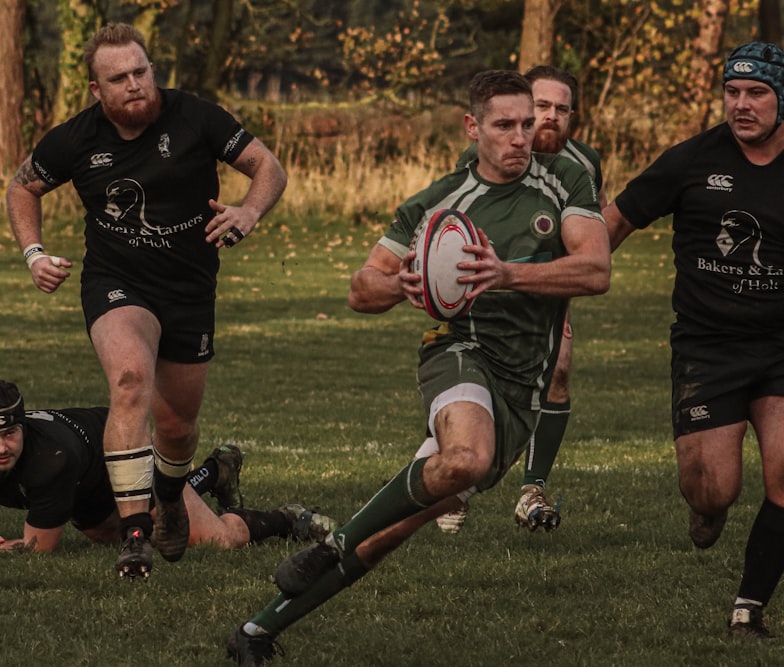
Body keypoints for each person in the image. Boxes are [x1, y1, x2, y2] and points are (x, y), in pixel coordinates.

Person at [225, 69, 610, 664]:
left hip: (522, 383)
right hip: (458, 351)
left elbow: (596, 270)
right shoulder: (436, 205)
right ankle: (334, 545)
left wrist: (506, 273)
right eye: (505, 125)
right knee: (465, 457)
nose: (521, 138)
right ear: (472, 127)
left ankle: (256, 632)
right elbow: (362, 286)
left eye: (527, 125)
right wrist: (400, 285)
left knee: (392, 532)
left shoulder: (564, 179)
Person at [601, 42, 784, 639]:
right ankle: (705, 510)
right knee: (714, 490)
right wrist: (569, 272)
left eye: (755, 93)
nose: (740, 104)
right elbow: (616, 221)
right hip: (708, 346)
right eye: (732, 92)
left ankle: (748, 609)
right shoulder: (691, 160)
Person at [4, 23, 287, 578]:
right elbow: (22, 186)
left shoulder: (196, 116)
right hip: (116, 282)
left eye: (142, 71)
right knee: (130, 378)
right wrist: (33, 251)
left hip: (188, 290)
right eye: (119, 77)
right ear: (96, 89)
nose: (135, 84)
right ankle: (136, 535)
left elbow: (267, 168)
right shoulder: (75, 139)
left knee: (177, 428)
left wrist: (250, 211)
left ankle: (174, 496)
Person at [436, 64, 608, 534]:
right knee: (476, 378)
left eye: (561, 109)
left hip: (543, 285)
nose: (550, 117)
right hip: (484, 291)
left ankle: (532, 488)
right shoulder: (477, 159)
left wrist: (564, 291)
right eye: (541, 107)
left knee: (560, 367)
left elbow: (586, 240)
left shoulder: (583, 164)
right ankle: (455, 480)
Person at [0, 381, 334, 567]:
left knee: (215, 541)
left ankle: (288, 518)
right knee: (129, 536)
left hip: (118, 452)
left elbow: (37, 548)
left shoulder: (50, 460)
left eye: (9, 433)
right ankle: (216, 473)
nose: (2, 447)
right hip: (85, 481)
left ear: (23, 427)